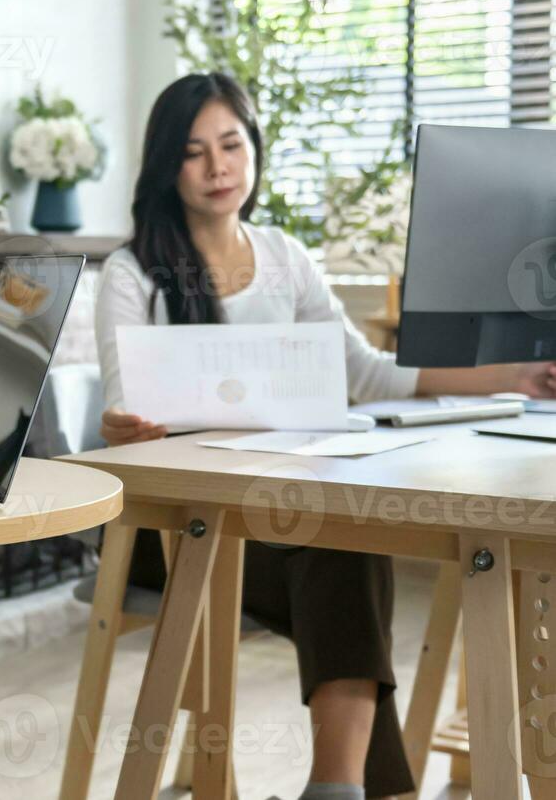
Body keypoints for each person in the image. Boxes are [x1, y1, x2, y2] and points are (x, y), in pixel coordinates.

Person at [94, 72, 556, 799]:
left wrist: (514, 377)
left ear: (254, 150)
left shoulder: (285, 256)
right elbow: (125, 414)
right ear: (166, 166)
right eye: (193, 152)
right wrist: (123, 427)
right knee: (339, 546)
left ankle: (336, 787)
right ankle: (362, 791)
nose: (218, 167)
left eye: (231, 144)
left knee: (342, 535)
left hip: (277, 520)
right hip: (179, 530)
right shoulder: (133, 273)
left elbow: (371, 375)